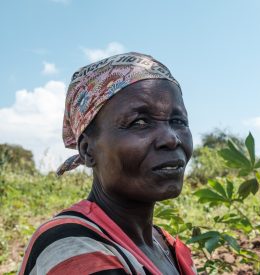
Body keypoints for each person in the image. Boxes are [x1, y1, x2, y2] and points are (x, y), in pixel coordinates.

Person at [19, 52, 197, 275]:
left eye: (178, 121)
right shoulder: (70, 246)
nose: (171, 138)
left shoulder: (165, 245)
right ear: (87, 150)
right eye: (140, 122)